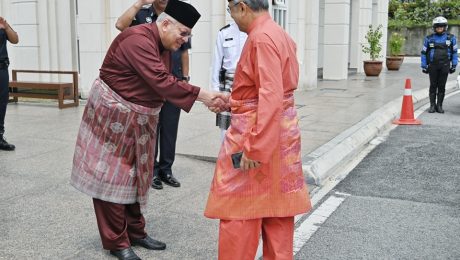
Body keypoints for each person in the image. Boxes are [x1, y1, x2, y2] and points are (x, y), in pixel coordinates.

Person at [70, 1, 227, 259]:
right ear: (165, 23)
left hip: (138, 120)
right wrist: (204, 96)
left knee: (137, 175)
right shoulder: (137, 40)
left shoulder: (162, 43)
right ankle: (116, 242)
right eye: (183, 33)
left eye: (188, 34)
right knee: (113, 178)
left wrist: (201, 95)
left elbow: (164, 82)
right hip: (112, 119)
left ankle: (136, 232)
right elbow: (160, 80)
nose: (185, 40)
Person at [204, 1, 311, 259]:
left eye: (230, 9)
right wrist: (233, 100)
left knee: (238, 213)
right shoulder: (278, 33)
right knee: (278, 214)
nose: (231, 16)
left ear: (242, 7)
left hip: (255, 136)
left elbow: (270, 94)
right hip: (280, 133)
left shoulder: (260, 38)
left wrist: (256, 147)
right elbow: (271, 91)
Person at [116, 0, 190, 190]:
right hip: (150, 83)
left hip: (173, 80)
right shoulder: (142, 15)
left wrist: (185, 77)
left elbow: (184, 51)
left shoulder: (178, 15)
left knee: (170, 128)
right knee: (151, 129)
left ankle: (166, 170)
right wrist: (139, 3)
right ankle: (153, 171)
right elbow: (120, 26)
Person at [211, 21, 247, 140]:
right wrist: (216, 91)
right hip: (227, 83)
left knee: (245, 126)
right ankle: (225, 156)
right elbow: (216, 62)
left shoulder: (252, 31)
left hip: (247, 84)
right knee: (225, 129)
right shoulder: (224, 32)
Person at [421, 16, 458, 114]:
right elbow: (423, 53)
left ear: (445, 27)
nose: (439, 28)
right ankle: (432, 106)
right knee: (433, 85)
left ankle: (439, 106)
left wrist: (454, 65)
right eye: (437, 27)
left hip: (445, 66)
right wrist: (424, 66)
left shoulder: (451, 38)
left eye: (441, 26)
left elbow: (454, 52)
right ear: (434, 27)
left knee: (442, 86)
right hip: (433, 66)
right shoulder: (429, 39)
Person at [0, 16, 18, 151]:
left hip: (2, 69)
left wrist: (6, 27)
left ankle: (0, 137)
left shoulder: (2, 23)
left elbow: (15, 39)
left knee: (2, 103)